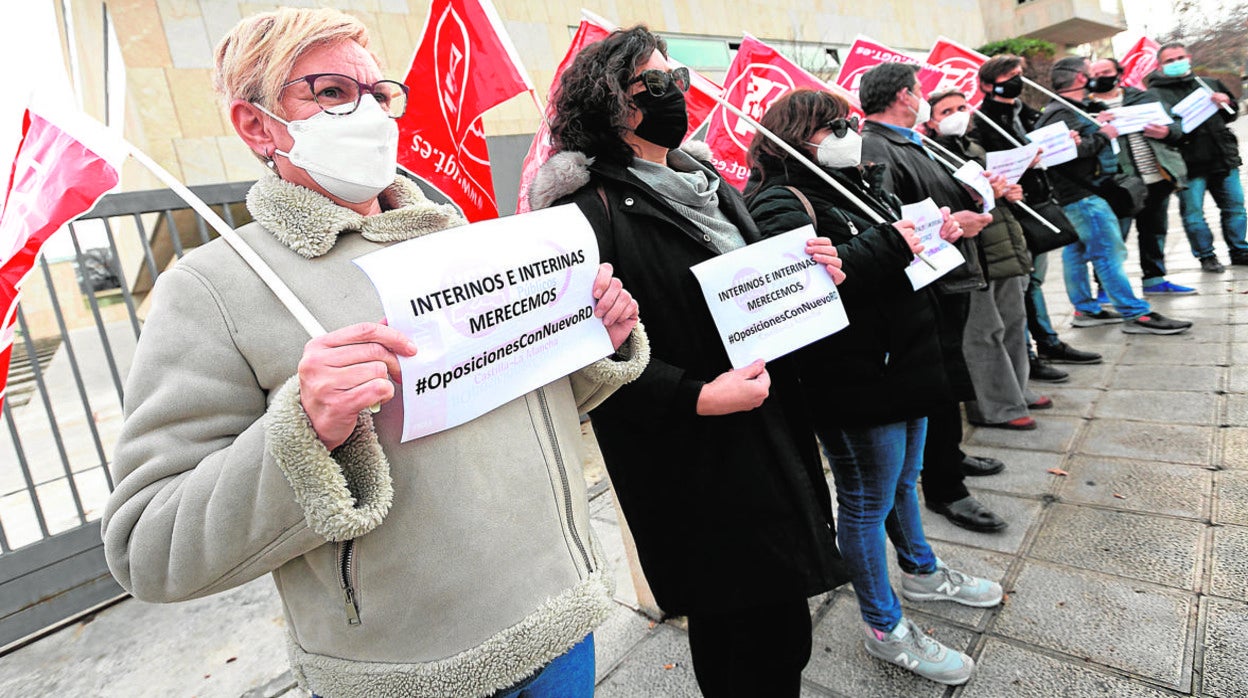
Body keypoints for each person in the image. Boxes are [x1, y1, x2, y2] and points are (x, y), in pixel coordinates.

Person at [101, 9, 648, 698]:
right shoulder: (212, 289)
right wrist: (304, 430)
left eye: (378, 94)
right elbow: (150, 545)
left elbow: (530, 412)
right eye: (330, 92)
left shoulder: (460, 238)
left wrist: (593, 336)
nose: (366, 113)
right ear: (257, 125)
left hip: (563, 621)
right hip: (413, 672)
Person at [529, 27, 850, 697]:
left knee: (785, 633)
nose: (679, 90)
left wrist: (810, 275)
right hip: (698, 463)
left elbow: (752, 291)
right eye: (658, 82)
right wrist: (696, 396)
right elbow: (585, 365)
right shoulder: (583, 215)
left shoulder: (708, 181)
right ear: (612, 104)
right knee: (741, 643)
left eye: (677, 75)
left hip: (771, 429)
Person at [746, 88, 1003, 687]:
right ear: (796, 135)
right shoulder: (781, 201)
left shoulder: (858, 182)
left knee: (904, 481)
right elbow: (808, 286)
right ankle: (884, 625)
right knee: (865, 500)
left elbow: (890, 253)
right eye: (832, 125)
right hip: (855, 378)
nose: (847, 133)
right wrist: (894, 241)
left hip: (903, 362)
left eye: (849, 122)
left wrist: (930, 232)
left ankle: (920, 569)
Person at [857, 63, 1008, 533]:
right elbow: (891, 221)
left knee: (951, 376)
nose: (922, 96)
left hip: (952, 272)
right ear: (904, 95)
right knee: (938, 384)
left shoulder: (915, 139)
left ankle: (952, 458)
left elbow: (941, 193)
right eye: (919, 90)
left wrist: (983, 197)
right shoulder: (876, 146)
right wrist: (956, 224)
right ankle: (945, 489)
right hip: (929, 281)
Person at [1033, 57, 1193, 335]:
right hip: (1083, 195)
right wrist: (1104, 135)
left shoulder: (1072, 109)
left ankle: (1086, 308)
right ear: (1081, 79)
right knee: (1108, 251)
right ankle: (1135, 314)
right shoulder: (1063, 112)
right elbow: (1060, 156)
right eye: (1089, 72)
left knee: (1078, 251)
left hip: (1080, 194)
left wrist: (1096, 124)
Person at [925, 89, 1049, 428]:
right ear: (930, 120)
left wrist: (1010, 192)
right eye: (945, 110)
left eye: (961, 107)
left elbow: (994, 198)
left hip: (1003, 246)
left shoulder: (975, 148)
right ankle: (995, 407)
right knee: (984, 334)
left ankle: (1016, 392)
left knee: (1013, 324)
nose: (956, 114)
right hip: (975, 253)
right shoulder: (930, 154)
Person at [974, 54, 1102, 382]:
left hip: (1040, 199)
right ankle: (1036, 348)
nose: (1017, 80)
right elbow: (986, 164)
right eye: (1010, 75)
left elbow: (1045, 143)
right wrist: (1021, 162)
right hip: (1015, 208)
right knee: (1026, 281)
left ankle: (1045, 342)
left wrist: (1066, 142)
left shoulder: (1024, 111)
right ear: (988, 84)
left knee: (1035, 279)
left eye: (1019, 74)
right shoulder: (983, 118)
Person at [1087, 57, 1194, 295]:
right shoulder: (1085, 107)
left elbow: (1177, 128)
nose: (1100, 77)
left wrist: (1167, 131)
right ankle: (1106, 288)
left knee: (1154, 231)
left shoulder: (1143, 97)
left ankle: (1154, 279)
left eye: (1105, 71)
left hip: (1155, 177)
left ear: (1118, 73)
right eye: (1094, 74)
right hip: (1117, 183)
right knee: (1113, 238)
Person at [1146, 42, 1246, 272]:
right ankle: (1206, 255)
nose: (1176, 63)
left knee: (1235, 208)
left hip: (1222, 158)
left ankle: (1240, 249)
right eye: (1169, 60)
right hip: (1187, 164)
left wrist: (1226, 103)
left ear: (1189, 58)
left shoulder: (1208, 84)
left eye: (1180, 57)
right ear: (1160, 65)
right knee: (1193, 214)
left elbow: (1231, 115)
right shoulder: (1155, 95)